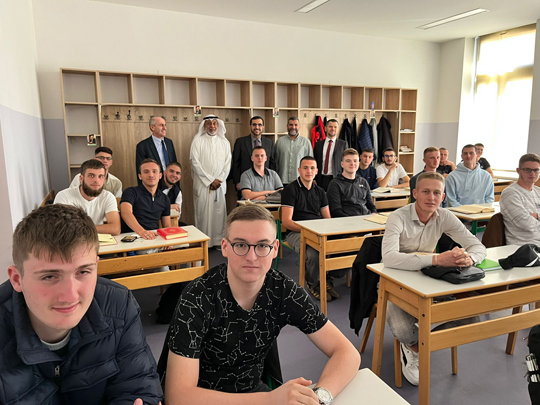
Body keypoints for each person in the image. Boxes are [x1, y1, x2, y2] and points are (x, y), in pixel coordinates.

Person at [165, 204, 360, 404]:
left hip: (254, 393)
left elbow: (347, 353)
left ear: (274, 249)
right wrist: (269, 400)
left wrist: (319, 398)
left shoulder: (283, 291)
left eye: (262, 246)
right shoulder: (198, 296)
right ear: (224, 247)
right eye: (240, 245)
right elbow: (178, 396)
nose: (251, 257)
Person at [0, 204, 162, 404]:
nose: (70, 295)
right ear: (17, 279)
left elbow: (139, 389)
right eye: (49, 276)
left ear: (96, 267)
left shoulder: (118, 305)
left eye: (83, 272)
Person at [382, 172, 486, 386]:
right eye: (426, 192)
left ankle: (416, 347)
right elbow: (389, 258)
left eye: (437, 193)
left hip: (429, 280)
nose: (431, 197)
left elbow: (477, 246)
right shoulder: (398, 217)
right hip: (394, 282)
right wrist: (437, 259)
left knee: (471, 318)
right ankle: (412, 342)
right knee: (403, 331)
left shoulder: (444, 216)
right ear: (415, 193)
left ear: (443, 196)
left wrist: (470, 258)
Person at [281, 156, 347, 301]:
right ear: (299, 170)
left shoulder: (321, 192)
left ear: (317, 171)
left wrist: (324, 232)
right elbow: (286, 222)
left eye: (312, 168)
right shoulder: (290, 190)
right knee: (313, 254)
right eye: (305, 168)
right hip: (296, 232)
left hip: (318, 231)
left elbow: (327, 219)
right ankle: (313, 283)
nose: (309, 171)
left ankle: (327, 278)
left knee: (344, 245)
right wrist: (309, 232)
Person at [190, 115, 231, 248]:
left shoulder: (224, 143)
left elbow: (227, 164)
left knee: (219, 213)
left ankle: (218, 241)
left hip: (219, 185)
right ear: (204, 125)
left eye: (214, 123)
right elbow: (195, 163)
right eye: (209, 123)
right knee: (203, 213)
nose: (212, 126)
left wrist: (219, 180)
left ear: (218, 125)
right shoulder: (198, 142)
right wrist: (209, 180)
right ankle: (204, 243)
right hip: (203, 185)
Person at [55, 159, 120, 235]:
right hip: (72, 240)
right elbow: (59, 229)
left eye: (100, 176)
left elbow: (115, 229)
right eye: (91, 176)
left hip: (96, 239)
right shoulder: (64, 196)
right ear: (81, 179)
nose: (96, 180)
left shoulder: (108, 197)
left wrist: (82, 228)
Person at [120, 159, 171, 238]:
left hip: (154, 237)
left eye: (154, 171)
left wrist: (169, 238)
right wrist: (142, 232)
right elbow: (126, 213)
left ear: (160, 175)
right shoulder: (130, 192)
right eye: (146, 172)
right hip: (132, 237)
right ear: (140, 176)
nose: (151, 175)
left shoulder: (165, 198)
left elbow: (167, 225)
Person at [500, 153, 540, 246]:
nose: (532, 173)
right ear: (518, 171)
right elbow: (526, 224)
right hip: (524, 246)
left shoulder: (538, 191)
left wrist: (536, 216)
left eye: (536, 170)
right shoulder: (510, 193)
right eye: (527, 170)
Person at [232, 116, 276, 196]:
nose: (257, 127)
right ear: (250, 126)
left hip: (265, 183)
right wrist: (237, 181)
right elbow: (236, 163)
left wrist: (272, 182)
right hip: (246, 182)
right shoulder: (240, 142)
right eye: (254, 125)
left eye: (259, 125)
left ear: (263, 127)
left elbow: (272, 163)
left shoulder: (269, 143)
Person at [327, 148, 377, 217]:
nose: (352, 163)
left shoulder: (363, 182)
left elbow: (371, 206)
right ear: (342, 164)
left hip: (366, 218)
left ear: (358, 163)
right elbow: (336, 211)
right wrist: (353, 220)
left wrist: (373, 215)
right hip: (347, 221)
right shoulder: (335, 184)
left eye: (355, 161)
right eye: (348, 161)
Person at [275, 116, 313, 186]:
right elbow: (275, 162)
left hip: (300, 180)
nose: (293, 127)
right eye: (291, 125)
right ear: (287, 126)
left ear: (299, 127)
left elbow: (310, 163)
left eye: (296, 125)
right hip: (282, 180)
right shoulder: (279, 142)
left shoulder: (306, 142)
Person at [313, 119, 348, 191]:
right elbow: (315, 161)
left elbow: (346, 162)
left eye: (335, 127)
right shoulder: (318, 145)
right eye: (330, 126)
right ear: (325, 128)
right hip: (321, 179)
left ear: (338, 130)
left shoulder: (343, 144)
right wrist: (314, 178)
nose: (333, 129)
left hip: (336, 178)